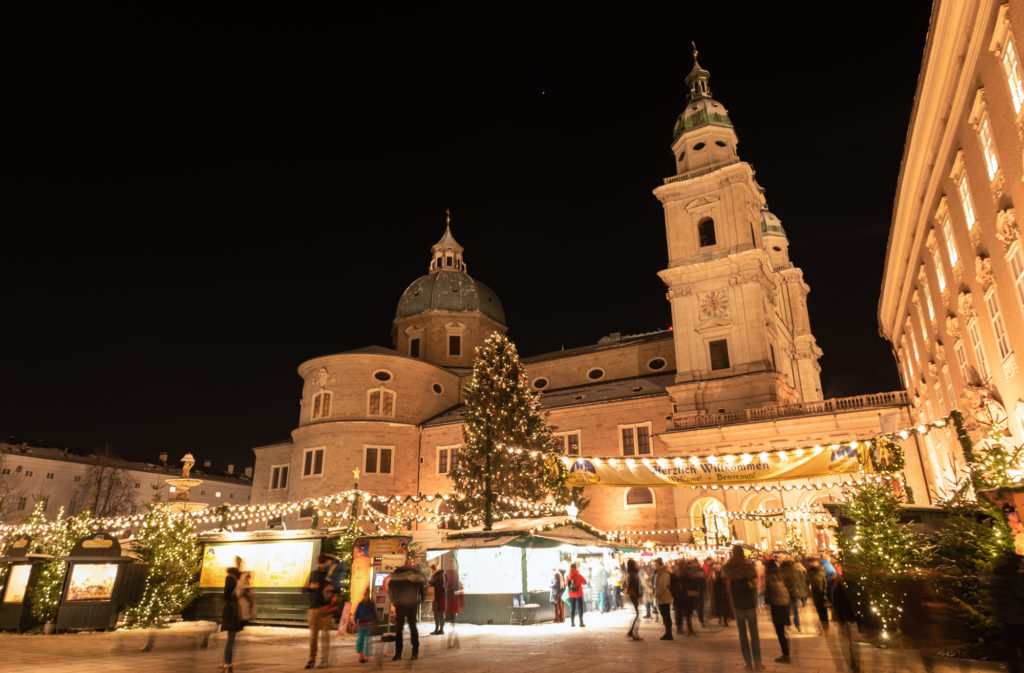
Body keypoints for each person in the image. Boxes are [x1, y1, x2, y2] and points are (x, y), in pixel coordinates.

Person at [724, 545, 763, 670]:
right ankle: (757, 662)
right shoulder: (748, 565)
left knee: (742, 634)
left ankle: (747, 662)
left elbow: (724, 573)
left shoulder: (729, 566)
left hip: (737, 602)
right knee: (754, 632)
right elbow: (753, 574)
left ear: (733, 553)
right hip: (750, 601)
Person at [989, 551, 1024, 673]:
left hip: (1003, 617)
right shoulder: (1012, 576)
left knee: (1011, 647)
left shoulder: (998, 574)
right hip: (1017, 617)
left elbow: (992, 593)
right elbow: (1020, 594)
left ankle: (1013, 669)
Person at [387, 556, 426, 661]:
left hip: (407, 604)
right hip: (405, 604)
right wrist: (421, 598)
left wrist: (394, 600)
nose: (410, 563)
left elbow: (421, 586)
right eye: (410, 561)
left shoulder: (403, 572)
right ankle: (407, 653)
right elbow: (391, 587)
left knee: (407, 628)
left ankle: (405, 653)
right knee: (403, 628)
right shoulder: (410, 572)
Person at [304, 554, 333, 669]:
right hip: (314, 608)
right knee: (313, 635)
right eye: (322, 562)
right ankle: (311, 659)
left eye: (325, 562)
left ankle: (324, 659)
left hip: (326, 608)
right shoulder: (313, 574)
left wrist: (332, 589)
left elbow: (337, 589)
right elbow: (303, 589)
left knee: (325, 635)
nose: (324, 564)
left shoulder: (331, 575)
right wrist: (310, 587)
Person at [764, 560, 791, 664]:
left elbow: (768, 596)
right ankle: (786, 653)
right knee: (783, 632)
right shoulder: (780, 575)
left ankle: (785, 655)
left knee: (780, 632)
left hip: (777, 605)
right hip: (785, 604)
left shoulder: (769, 578)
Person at [220, 560, 244, 673]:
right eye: (239, 564)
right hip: (231, 613)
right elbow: (227, 595)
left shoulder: (236, 578)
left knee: (232, 638)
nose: (240, 566)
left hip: (233, 612)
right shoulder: (230, 578)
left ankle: (227, 662)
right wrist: (236, 594)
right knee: (230, 638)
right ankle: (227, 663)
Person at [683, 558, 707, 634]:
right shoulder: (688, 571)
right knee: (692, 608)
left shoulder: (699, 571)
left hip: (698, 591)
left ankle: (700, 619)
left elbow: (703, 581)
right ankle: (691, 626)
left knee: (700, 606)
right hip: (691, 592)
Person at [806, 560, 829, 635]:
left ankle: (824, 629)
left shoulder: (810, 573)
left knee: (820, 611)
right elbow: (825, 583)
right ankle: (826, 629)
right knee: (824, 612)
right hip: (822, 594)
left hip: (816, 595)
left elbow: (806, 583)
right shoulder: (820, 572)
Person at [653, 557, 673, 640]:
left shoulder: (664, 573)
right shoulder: (660, 572)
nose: (654, 566)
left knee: (666, 616)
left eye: (655, 564)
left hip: (664, 596)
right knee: (665, 616)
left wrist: (657, 595)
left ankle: (669, 634)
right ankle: (667, 633)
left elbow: (663, 586)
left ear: (658, 564)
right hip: (662, 596)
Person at [354, 588, 376, 664]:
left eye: (367, 594)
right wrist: (355, 621)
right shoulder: (360, 604)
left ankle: (367, 657)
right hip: (361, 624)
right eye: (365, 594)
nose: (366, 596)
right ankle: (360, 656)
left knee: (368, 641)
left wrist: (375, 621)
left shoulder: (371, 604)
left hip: (368, 624)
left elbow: (374, 613)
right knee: (360, 640)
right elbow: (356, 613)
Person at [780, 559, 801, 632]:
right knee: (795, 609)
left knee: (786, 609)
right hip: (793, 592)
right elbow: (798, 581)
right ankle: (797, 625)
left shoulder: (781, 571)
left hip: (785, 593)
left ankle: (787, 625)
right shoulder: (793, 570)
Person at [624, 558, 643, 640]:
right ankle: (634, 634)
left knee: (637, 614)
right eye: (635, 563)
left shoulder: (629, 574)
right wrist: (639, 595)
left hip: (633, 595)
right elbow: (636, 586)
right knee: (638, 615)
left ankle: (631, 632)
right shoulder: (634, 574)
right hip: (634, 595)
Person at [566, 562, 587, 627]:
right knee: (580, 608)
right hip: (578, 594)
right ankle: (581, 622)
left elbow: (566, 584)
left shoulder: (568, 576)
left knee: (572, 608)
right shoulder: (579, 575)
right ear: (576, 568)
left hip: (571, 594)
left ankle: (572, 622)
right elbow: (585, 582)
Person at [429, 563, 447, 634]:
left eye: (432, 571)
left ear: (435, 569)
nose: (431, 572)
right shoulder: (434, 576)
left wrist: (432, 585)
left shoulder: (440, 575)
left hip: (440, 598)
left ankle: (441, 629)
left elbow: (440, 586)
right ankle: (436, 629)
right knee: (436, 614)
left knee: (441, 614)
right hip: (435, 598)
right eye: (431, 571)